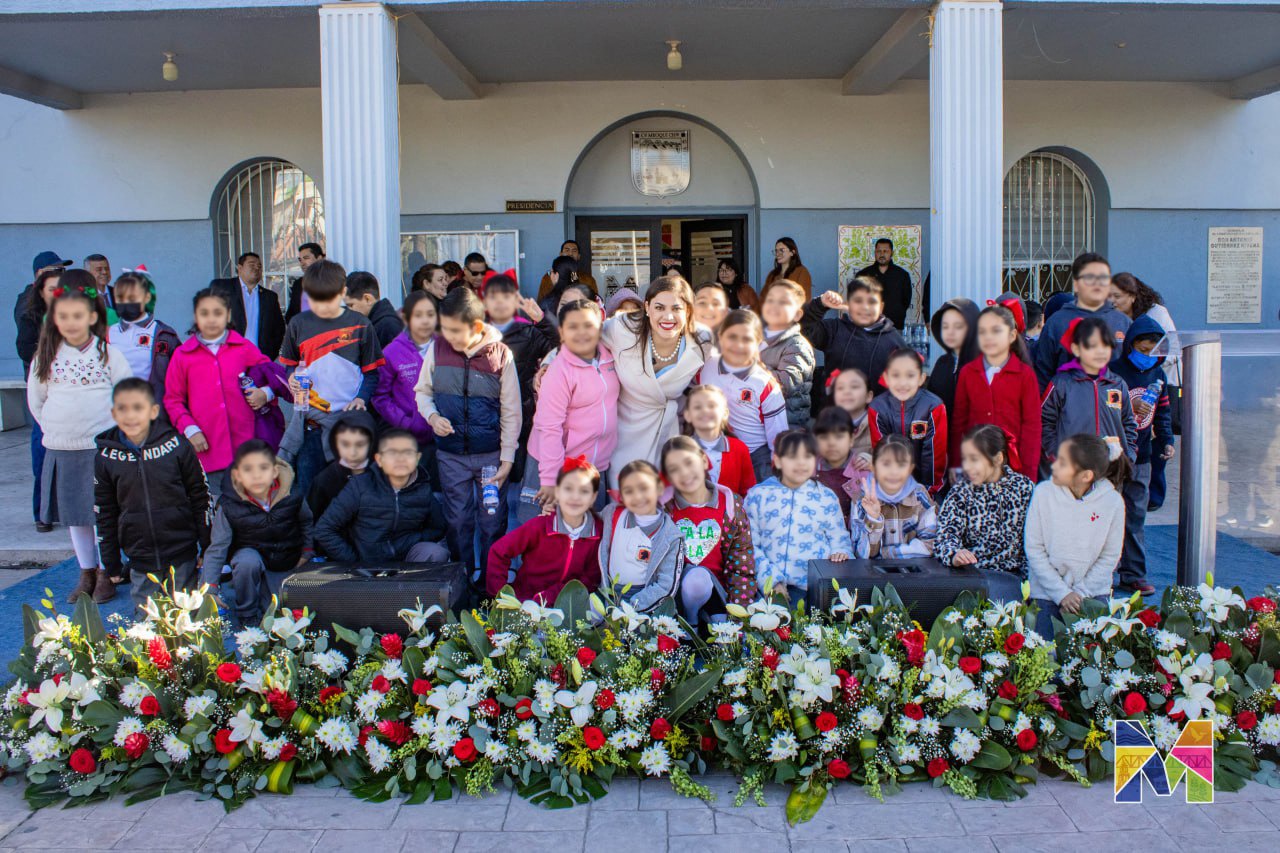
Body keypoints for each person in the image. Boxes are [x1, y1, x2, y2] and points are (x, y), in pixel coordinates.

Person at [28, 276, 133, 603]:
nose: (71, 323)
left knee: (102, 514)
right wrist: (54, 427)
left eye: (78, 316)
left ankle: (106, 571)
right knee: (76, 516)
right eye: (64, 316)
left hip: (100, 449)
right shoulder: (45, 356)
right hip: (64, 447)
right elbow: (36, 400)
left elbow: (127, 392)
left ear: (91, 318)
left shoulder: (108, 353)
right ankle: (86, 571)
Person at [415, 287, 520, 579]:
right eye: (444, 329)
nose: (447, 336)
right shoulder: (437, 349)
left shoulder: (500, 355)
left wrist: (508, 457)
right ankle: (459, 581)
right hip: (451, 455)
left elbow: (512, 410)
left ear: (476, 326)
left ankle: (491, 582)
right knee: (457, 519)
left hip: (490, 455)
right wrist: (433, 416)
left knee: (491, 520)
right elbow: (422, 392)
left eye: (454, 331)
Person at [95, 378, 210, 609]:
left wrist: (206, 546)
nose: (131, 415)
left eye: (138, 407)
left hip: (181, 552)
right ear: (113, 413)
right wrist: (111, 562)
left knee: (187, 620)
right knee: (147, 629)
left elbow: (201, 497)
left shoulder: (177, 446)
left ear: (154, 410)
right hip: (140, 558)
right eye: (122, 408)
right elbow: (104, 511)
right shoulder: (106, 457)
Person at [165, 288, 288, 495]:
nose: (211, 319)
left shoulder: (244, 348)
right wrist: (190, 430)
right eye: (205, 313)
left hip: (248, 446)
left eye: (218, 313)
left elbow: (273, 375)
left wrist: (265, 393)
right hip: (208, 447)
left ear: (228, 315)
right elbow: (173, 400)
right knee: (220, 508)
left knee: (254, 505)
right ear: (196, 316)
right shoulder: (182, 355)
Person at [279, 260, 385, 493]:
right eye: (316, 299)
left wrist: (361, 399)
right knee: (310, 494)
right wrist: (291, 378)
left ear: (343, 292)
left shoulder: (361, 324)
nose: (322, 305)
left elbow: (372, 374)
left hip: (349, 428)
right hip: (311, 426)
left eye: (328, 298)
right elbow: (288, 366)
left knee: (353, 493)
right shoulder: (297, 323)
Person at [603, 276, 706, 488]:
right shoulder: (622, 328)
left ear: (687, 311)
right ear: (647, 307)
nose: (668, 316)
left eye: (676, 308)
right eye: (659, 307)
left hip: (665, 435)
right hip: (624, 433)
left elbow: (740, 350)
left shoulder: (702, 341)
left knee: (661, 506)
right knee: (625, 502)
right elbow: (580, 337)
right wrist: (549, 364)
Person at [522, 299, 619, 523]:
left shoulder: (611, 357)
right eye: (573, 327)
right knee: (546, 532)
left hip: (595, 465)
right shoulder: (559, 371)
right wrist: (549, 479)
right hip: (555, 464)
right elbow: (548, 426)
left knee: (590, 532)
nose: (582, 333)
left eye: (588, 325)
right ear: (562, 332)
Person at [202, 440, 314, 627]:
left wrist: (307, 551)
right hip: (251, 560)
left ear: (275, 471)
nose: (257, 476)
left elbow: (307, 521)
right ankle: (247, 613)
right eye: (248, 470)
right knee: (247, 561)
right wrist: (210, 588)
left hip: (285, 559)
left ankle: (267, 596)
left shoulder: (292, 495)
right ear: (238, 475)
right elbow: (217, 548)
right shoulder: (229, 505)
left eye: (263, 468)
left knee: (279, 614)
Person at [1026, 434, 1126, 638]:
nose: (1055, 466)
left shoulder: (1113, 502)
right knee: (1044, 657)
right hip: (1047, 592)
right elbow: (1034, 549)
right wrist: (1062, 594)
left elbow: (1109, 557)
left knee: (1089, 659)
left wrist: (1079, 595)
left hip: (1092, 593)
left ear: (1086, 475)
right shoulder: (1043, 493)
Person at [1107, 315, 1174, 596]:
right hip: (1114, 456)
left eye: (1152, 352)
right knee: (1108, 513)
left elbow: (1163, 413)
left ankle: (1133, 573)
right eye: (1142, 350)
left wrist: (1167, 440)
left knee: (1135, 515)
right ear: (1130, 345)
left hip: (1143, 457)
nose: (1146, 357)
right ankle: (1106, 571)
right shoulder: (1114, 371)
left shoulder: (1158, 375)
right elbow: (1109, 411)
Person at [746, 429, 851, 606]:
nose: (801, 463)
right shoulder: (758, 496)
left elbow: (839, 539)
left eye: (807, 456)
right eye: (793, 456)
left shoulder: (825, 496)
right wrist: (771, 581)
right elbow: (750, 545)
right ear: (777, 460)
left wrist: (841, 553)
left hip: (817, 588)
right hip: (771, 590)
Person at [314, 429, 450, 565]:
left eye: (407, 453)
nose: (400, 460)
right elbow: (324, 529)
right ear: (379, 459)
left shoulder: (422, 488)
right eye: (392, 454)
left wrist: (415, 539)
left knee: (436, 552)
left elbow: (438, 528)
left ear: (417, 458)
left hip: (406, 560)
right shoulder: (360, 485)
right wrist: (353, 561)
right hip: (365, 562)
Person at [660, 436, 757, 623]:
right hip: (680, 600)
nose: (685, 473)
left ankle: (717, 621)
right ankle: (690, 627)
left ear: (704, 460)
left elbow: (741, 565)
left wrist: (738, 615)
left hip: (721, 596)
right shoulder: (667, 511)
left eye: (689, 463)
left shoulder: (730, 505)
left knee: (727, 640)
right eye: (674, 469)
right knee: (696, 577)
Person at [1109, 272, 1180, 511]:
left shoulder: (1155, 315)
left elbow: (1172, 349)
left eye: (1117, 296)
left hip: (1155, 391)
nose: (1112, 300)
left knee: (1153, 458)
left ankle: (1153, 498)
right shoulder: (1116, 370)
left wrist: (1167, 439)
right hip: (1121, 439)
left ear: (1132, 296)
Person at [487, 457, 603, 603]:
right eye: (568, 489)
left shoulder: (597, 532)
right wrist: (500, 597)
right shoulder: (540, 526)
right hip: (526, 602)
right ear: (557, 492)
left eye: (584, 491)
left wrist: (553, 595)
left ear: (593, 497)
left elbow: (591, 578)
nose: (575, 497)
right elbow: (498, 551)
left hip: (569, 607)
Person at [695, 310, 789, 481]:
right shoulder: (706, 366)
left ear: (758, 342)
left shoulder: (764, 384)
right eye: (732, 337)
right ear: (721, 336)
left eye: (746, 339)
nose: (738, 345)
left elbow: (778, 434)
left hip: (756, 457)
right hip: (713, 451)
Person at [951, 304, 1041, 480]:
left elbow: (1032, 427)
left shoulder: (1025, 375)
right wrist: (956, 463)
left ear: (1012, 335)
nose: (989, 338)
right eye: (983, 332)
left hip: (1013, 467)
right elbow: (958, 423)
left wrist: (1029, 472)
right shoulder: (968, 373)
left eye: (996, 331)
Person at [1041, 317, 1138, 477]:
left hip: (1110, 469)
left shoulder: (1118, 384)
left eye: (1105, 345)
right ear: (1076, 349)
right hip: (1071, 469)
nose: (1100, 352)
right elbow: (1044, 422)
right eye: (1093, 346)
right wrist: (1055, 454)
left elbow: (1129, 422)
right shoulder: (1062, 384)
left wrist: (1128, 455)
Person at [933, 425, 1035, 576]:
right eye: (965, 459)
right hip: (974, 577)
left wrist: (1029, 583)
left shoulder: (1024, 489)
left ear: (998, 458)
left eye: (974, 459)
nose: (967, 466)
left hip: (1017, 578)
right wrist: (954, 554)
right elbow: (945, 535)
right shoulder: (961, 492)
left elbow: (1037, 541)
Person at [484, 275, 558, 478]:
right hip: (485, 416)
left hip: (522, 414)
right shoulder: (476, 332)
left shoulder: (528, 332)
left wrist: (543, 319)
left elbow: (562, 347)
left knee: (517, 476)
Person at [1033, 252, 1130, 389]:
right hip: (1067, 407)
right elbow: (1043, 375)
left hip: (1114, 406)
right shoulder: (1057, 322)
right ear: (1076, 284)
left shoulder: (1124, 322)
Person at [598, 460, 685, 612]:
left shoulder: (669, 536)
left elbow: (666, 585)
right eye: (629, 491)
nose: (637, 496)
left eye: (644, 488)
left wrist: (633, 607)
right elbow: (585, 522)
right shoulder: (613, 515)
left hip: (643, 600)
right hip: (607, 592)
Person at [802, 277, 906, 402]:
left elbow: (903, 386)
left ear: (882, 307)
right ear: (848, 304)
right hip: (835, 416)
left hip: (877, 418)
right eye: (858, 301)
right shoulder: (834, 330)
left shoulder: (894, 341)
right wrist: (820, 304)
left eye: (872, 302)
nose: (865, 307)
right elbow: (804, 328)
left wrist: (880, 413)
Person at [17, 266, 65, 532]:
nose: (57, 293)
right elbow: (25, 350)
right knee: (42, 455)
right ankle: (42, 513)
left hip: (71, 397)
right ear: (41, 291)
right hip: (45, 394)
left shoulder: (72, 315)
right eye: (51, 288)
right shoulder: (31, 317)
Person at [868, 349, 948, 494]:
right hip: (890, 486)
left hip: (926, 486)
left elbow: (935, 454)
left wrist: (929, 490)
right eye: (896, 375)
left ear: (921, 378)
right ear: (886, 378)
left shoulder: (933, 406)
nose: (902, 383)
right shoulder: (877, 408)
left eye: (910, 376)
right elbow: (880, 451)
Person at [849, 435, 938, 559]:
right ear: (874, 467)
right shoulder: (863, 498)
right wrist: (873, 519)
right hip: (874, 575)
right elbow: (860, 555)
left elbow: (931, 544)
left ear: (910, 468)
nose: (894, 472)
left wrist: (887, 554)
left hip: (914, 572)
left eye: (901, 465)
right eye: (886, 464)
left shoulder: (919, 494)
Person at [373, 291, 439, 457]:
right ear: (406, 317)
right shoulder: (391, 352)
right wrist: (405, 422)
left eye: (430, 315)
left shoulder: (445, 347)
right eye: (418, 315)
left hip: (444, 435)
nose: (425, 321)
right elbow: (380, 396)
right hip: (409, 437)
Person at [108, 271, 181, 413]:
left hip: (153, 413)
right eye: (120, 297)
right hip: (114, 414)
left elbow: (180, 379)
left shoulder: (164, 335)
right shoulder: (107, 334)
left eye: (132, 297)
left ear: (147, 297)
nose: (125, 302)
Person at [758, 279, 816, 428]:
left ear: (797, 314)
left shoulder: (797, 345)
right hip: (757, 420)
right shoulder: (755, 338)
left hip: (786, 423)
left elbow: (786, 384)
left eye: (783, 302)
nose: (774, 306)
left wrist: (751, 365)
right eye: (770, 300)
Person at [210, 251, 286, 360]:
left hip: (258, 359)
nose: (256, 268)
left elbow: (279, 329)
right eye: (252, 265)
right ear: (240, 268)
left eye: (259, 266)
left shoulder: (269, 297)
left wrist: (269, 354)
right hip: (228, 357)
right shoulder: (222, 287)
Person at [682, 384, 756, 498]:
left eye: (712, 406)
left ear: (725, 413)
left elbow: (748, 492)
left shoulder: (739, 448)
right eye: (697, 407)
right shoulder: (679, 450)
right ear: (687, 415)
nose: (705, 411)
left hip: (729, 515)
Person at [305, 409, 376, 524]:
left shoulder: (382, 476)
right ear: (335, 443)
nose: (352, 452)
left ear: (372, 443)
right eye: (345, 444)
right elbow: (312, 523)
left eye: (360, 444)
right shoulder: (324, 481)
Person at [925, 297, 979, 417]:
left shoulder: (982, 366)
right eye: (945, 326)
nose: (950, 332)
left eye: (958, 326)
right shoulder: (942, 363)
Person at [812, 406, 862, 524]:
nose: (831, 443)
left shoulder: (863, 471)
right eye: (824, 437)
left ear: (851, 439)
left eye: (839, 437)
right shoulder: (808, 470)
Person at [853, 240, 912, 331]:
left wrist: (896, 311)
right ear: (875, 253)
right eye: (879, 251)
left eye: (885, 251)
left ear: (892, 253)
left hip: (895, 326)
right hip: (869, 326)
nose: (882, 254)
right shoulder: (863, 275)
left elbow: (906, 301)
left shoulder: (902, 275)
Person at [824, 369, 873, 462]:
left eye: (854, 387)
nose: (846, 392)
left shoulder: (877, 424)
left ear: (868, 396)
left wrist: (870, 460)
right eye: (840, 388)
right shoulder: (826, 423)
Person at [344, 271, 404, 348]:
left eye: (351, 305)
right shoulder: (372, 324)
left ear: (367, 299)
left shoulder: (388, 326)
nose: (348, 311)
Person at [761, 238, 811, 302]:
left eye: (782, 250)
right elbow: (763, 298)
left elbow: (804, 300)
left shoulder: (802, 272)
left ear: (792, 252)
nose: (778, 254)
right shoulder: (772, 274)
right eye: (776, 251)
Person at [286, 242, 325, 322]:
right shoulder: (298, 284)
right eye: (300, 260)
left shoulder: (333, 281)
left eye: (306, 258)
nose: (302, 263)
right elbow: (291, 313)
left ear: (319, 258)